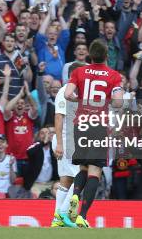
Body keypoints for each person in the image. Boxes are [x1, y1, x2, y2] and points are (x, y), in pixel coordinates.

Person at [64, 39, 124, 228]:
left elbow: (67, 94)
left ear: (90, 55)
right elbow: (118, 102)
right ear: (107, 56)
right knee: (95, 172)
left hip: (81, 123)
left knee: (82, 168)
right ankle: (82, 215)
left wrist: (80, 100)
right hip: (99, 125)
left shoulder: (78, 71)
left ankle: (75, 195)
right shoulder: (113, 76)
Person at [50, 62, 84, 227]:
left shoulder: (77, 93)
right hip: (64, 141)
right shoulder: (64, 92)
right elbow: (58, 117)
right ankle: (64, 214)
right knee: (80, 176)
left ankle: (57, 219)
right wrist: (60, 144)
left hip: (70, 141)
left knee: (66, 180)